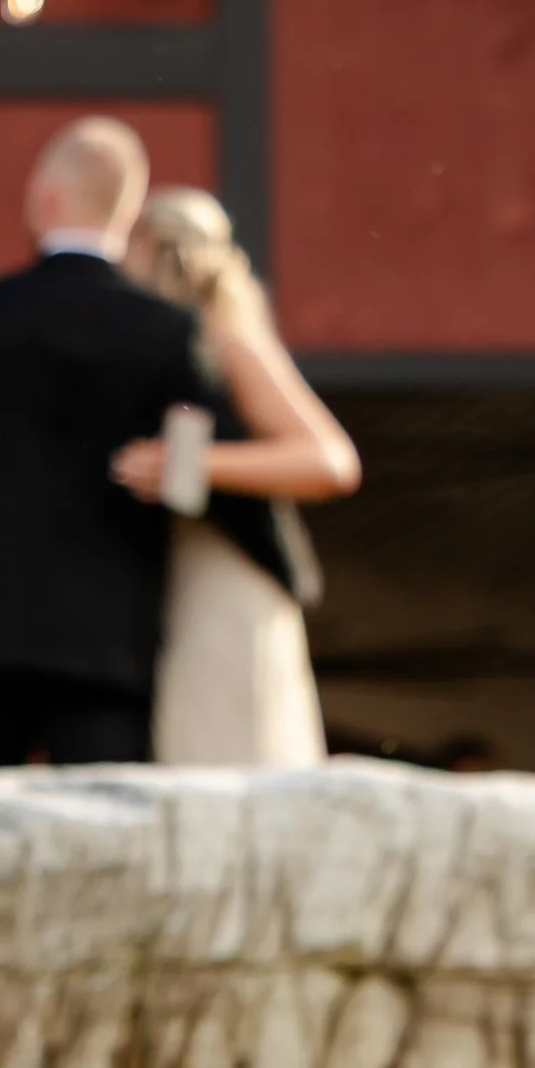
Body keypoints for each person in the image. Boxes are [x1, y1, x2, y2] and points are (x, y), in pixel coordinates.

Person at [0, 116, 206, 771]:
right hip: (109, 649)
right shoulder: (168, 335)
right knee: (107, 825)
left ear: (46, 198)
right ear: (129, 213)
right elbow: (193, 475)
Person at [116, 187, 360, 768]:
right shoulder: (161, 349)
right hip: (171, 585)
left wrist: (191, 465)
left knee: (230, 755)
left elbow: (329, 461)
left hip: (225, 582)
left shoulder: (226, 337)